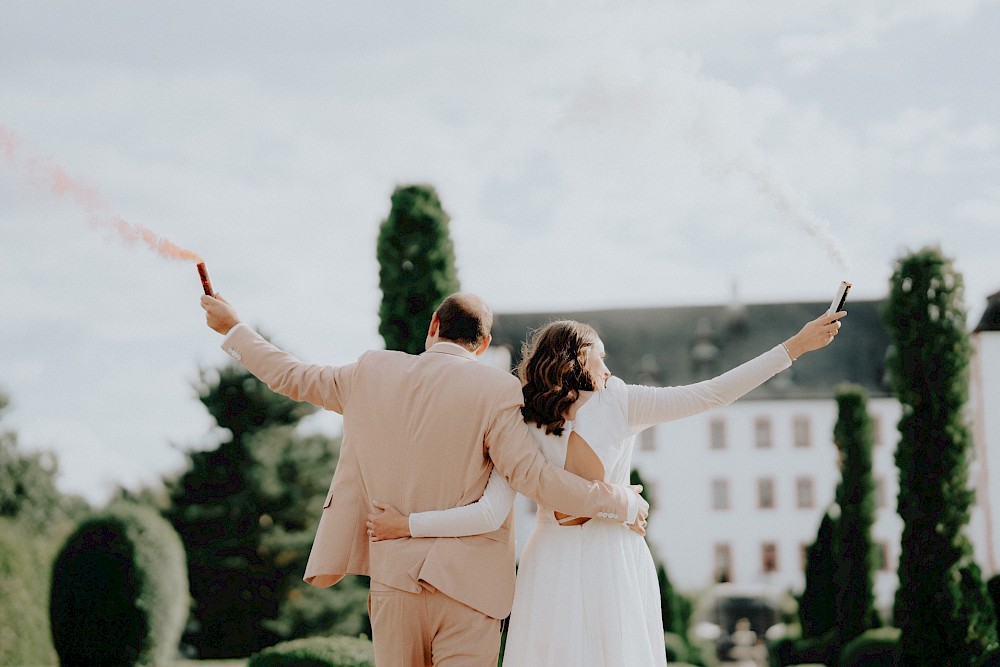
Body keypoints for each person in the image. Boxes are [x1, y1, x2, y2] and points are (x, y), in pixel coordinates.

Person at [368, 308, 846, 666]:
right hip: (612, 553)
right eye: (602, 354)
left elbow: (491, 509)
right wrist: (794, 347)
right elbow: (713, 392)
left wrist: (407, 523)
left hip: (548, 559)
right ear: (581, 356)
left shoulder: (520, 416)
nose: (609, 365)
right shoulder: (620, 402)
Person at [200, 291, 648, 667]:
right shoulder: (497, 391)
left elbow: (290, 376)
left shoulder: (370, 373)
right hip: (472, 593)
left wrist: (234, 329)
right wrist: (618, 502)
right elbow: (535, 478)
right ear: (483, 343)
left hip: (395, 583)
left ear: (433, 325)